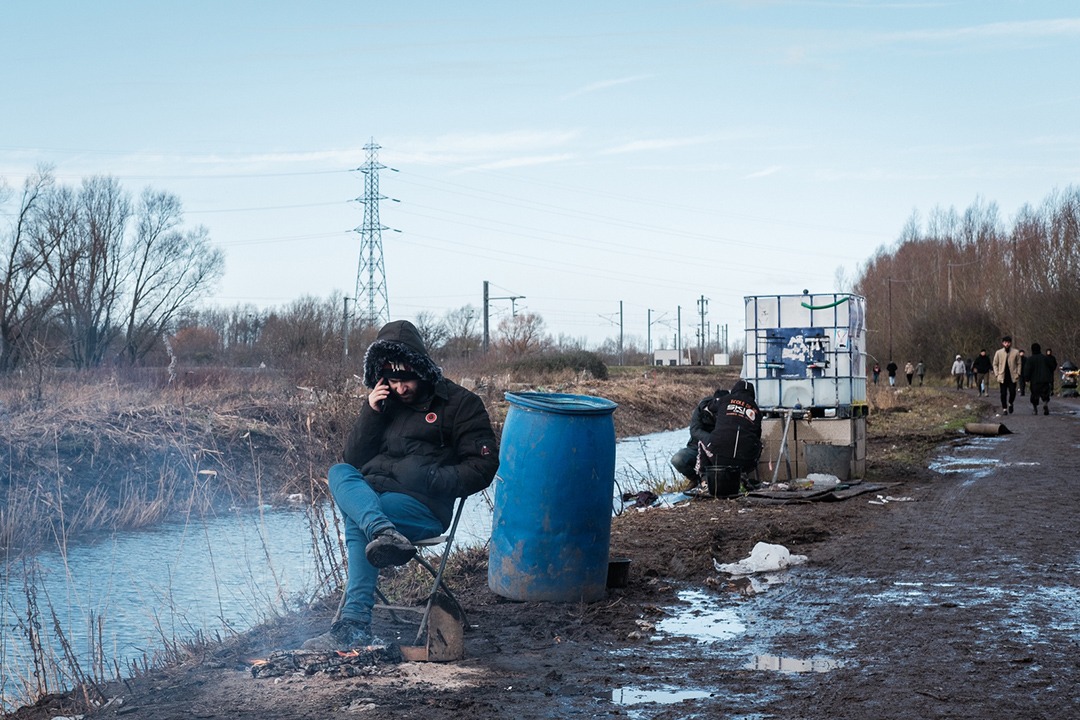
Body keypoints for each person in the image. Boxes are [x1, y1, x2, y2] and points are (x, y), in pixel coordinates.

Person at [302, 320, 499, 651]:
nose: (401, 388)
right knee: (339, 471)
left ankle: (353, 624)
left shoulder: (461, 404)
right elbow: (354, 459)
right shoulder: (384, 403)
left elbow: (483, 466)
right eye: (393, 380)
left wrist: (433, 478)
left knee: (359, 519)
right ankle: (383, 532)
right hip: (376, 498)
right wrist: (371, 412)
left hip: (423, 506)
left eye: (406, 379)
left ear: (422, 370)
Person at [696, 380, 762, 497]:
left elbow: (708, 408)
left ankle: (704, 479)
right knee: (759, 445)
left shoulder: (726, 400)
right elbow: (758, 436)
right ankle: (743, 475)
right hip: (746, 460)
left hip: (719, 457)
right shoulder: (756, 410)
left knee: (702, 441)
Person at [670, 387, 730, 490]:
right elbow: (694, 430)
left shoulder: (730, 412)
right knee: (677, 459)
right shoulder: (701, 409)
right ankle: (696, 479)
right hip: (696, 447)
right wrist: (710, 440)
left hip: (720, 451)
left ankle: (712, 482)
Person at [1024, 342, 1056, 415]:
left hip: (1034, 381)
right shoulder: (1045, 358)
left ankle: (1035, 409)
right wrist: (1049, 375)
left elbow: (1027, 370)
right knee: (1045, 394)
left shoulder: (1030, 359)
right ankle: (1045, 403)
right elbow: (1052, 366)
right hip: (1045, 380)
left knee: (1034, 395)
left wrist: (1026, 379)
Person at [992, 335, 1021, 415]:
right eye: (1005, 343)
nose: (1007, 344)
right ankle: (1004, 408)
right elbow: (995, 364)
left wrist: (1018, 372)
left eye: (1008, 342)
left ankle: (1010, 403)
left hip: (1013, 376)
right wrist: (997, 374)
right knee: (1003, 393)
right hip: (1002, 376)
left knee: (1012, 392)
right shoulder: (998, 352)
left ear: (1010, 343)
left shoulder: (1016, 352)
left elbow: (1019, 363)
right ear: (1002, 343)